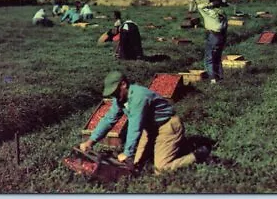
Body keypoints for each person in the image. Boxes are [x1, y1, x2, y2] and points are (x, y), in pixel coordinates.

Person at [80, 71, 211, 175]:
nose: (114, 96)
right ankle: (177, 148)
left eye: (115, 92)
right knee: (136, 165)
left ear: (123, 84)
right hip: (150, 129)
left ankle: (198, 155)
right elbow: (109, 119)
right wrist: (91, 141)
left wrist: (127, 153)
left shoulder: (138, 97)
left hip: (167, 127)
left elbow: (135, 127)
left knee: (161, 169)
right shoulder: (120, 98)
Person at [196, 0, 228, 83]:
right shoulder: (222, 12)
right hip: (222, 36)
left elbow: (199, 6)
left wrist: (210, 3)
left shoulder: (209, 12)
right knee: (217, 57)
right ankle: (220, 77)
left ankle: (213, 78)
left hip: (213, 35)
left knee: (209, 58)